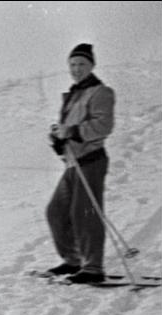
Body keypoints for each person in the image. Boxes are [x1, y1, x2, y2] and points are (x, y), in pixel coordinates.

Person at [45, 43, 115, 283]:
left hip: (91, 161)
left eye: (82, 64)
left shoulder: (100, 92)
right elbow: (68, 133)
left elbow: (103, 126)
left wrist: (71, 131)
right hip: (73, 163)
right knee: (56, 211)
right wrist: (58, 139)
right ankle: (73, 261)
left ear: (92, 66)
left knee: (85, 214)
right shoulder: (74, 94)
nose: (76, 69)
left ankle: (93, 268)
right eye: (73, 65)